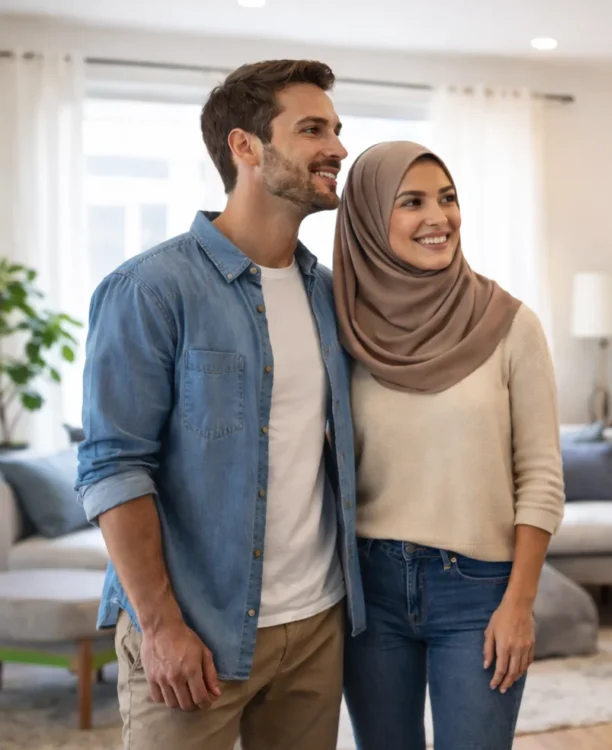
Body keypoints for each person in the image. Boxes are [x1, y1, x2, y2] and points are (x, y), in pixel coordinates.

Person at [75, 59, 364, 750]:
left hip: (317, 625)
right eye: (312, 130)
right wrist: (160, 626)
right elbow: (113, 467)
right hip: (193, 632)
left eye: (337, 129)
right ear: (245, 147)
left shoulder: (331, 295)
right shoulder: (150, 289)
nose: (338, 147)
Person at [333, 141, 565, 750]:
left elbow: (541, 476)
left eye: (448, 198)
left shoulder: (511, 324)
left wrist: (520, 603)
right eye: (411, 202)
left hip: (480, 589)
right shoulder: (342, 330)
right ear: (367, 219)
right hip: (368, 588)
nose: (439, 217)